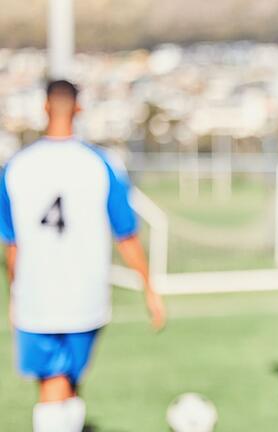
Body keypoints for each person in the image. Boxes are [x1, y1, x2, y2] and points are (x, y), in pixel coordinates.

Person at [0, 80, 166, 432]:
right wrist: (149, 288)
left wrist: (14, 291)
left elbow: (11, 245)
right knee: (64, 381)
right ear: (79, 108)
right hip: (85, 296)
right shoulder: (100, 164)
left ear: (44, 108)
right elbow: (127, 235)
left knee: (54, 383)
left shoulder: (16, 167)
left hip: (36, 297)